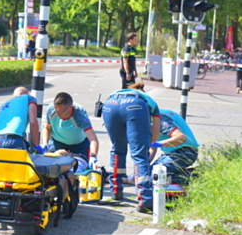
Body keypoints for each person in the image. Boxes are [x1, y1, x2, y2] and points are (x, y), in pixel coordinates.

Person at [102, 82, 161, 213]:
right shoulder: (147, 99)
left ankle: (115, 191)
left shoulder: (117, 92)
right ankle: (144, 200)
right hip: (135, 108)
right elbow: (155, 135)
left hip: (109, 105)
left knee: (117, 149)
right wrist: (147, 140)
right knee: (139, 154)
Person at [42, 92, 99, 166]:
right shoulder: (51, 109)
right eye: (57, 111)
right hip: (56, 142)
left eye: (61, 111)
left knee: (80, 169)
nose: (58, 114)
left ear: (70, 107)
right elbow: (47, 128)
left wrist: (93, 156)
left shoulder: (80, 115)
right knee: (51, 167)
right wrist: (45, 144)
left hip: (79, 146)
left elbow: (93, 139)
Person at [149, 109, 199, 185]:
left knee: (154, 177)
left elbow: (181, 138)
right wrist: (144, 165)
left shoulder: (160, 119)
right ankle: (184, 174)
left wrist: (157, 144)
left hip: (185, 151)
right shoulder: (148, 117)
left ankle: (197, 176)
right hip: (170, 153)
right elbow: (152, 144)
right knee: (146, 176)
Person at [0, 86, 41, 152]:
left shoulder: (4, 104)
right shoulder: (29, 98)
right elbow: (33, 122)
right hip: (14, 139)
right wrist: (36, 145)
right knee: (24, 161)